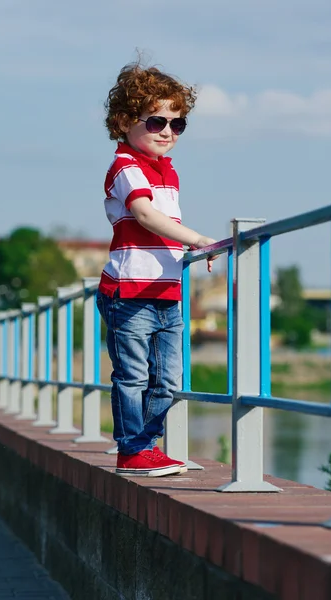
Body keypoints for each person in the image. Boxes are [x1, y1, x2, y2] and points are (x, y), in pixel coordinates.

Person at [96, 61, 217, 477]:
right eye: (157, 121)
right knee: (132, 376)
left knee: (166, 379)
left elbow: (167, 227)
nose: (168, 131)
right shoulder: (126, 167)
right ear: (125, 121)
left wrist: (193, 247)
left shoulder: (168, 172)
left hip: (167, 292)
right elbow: (145, 217)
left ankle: (149, 447)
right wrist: (197, 239)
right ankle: (132, 450)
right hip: (128, 292)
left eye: (177, 124)